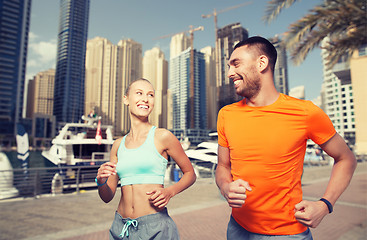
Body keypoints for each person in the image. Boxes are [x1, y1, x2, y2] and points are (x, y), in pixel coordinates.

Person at [215, 36, 357, 239]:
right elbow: (222, 166)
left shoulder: (306, 112)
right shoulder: (226, 115)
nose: (229, 73)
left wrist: (325, 205)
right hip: (237, 229)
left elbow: (346, 159)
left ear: (262, 63)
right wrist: (225, 186)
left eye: (236, 64)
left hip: (288, 234)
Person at [95, 78, 196, 240]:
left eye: (150, 95)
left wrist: (170, 192)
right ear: (126, 99)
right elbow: (107, 197)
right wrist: (101, 181)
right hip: (120, 228)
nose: (145, 99)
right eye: (139, 93)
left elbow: (190, 173)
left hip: (155, 227)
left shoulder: (163, 136)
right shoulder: (117, 145)